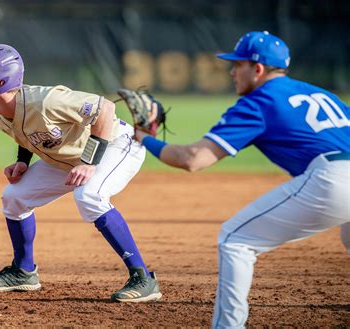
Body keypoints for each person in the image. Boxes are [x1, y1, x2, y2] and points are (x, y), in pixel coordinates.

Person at [133, 31, 350, 327]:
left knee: (235, 240)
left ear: (257, 69)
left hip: (332, 180)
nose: (233, 72)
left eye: (238, 65)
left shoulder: (259, 101)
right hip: (338, 173)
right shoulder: (323, 94)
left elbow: (193, 159)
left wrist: (145, 139)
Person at [0, 44, 162, 302]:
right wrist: (22, 161)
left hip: (116, 144)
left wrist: (89, 161)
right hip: (69, 158)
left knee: (89, 195)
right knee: (14, 196)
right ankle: (24, 272)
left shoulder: (45, 100)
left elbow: (106, 109)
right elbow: (27, 133)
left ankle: (143, 278)